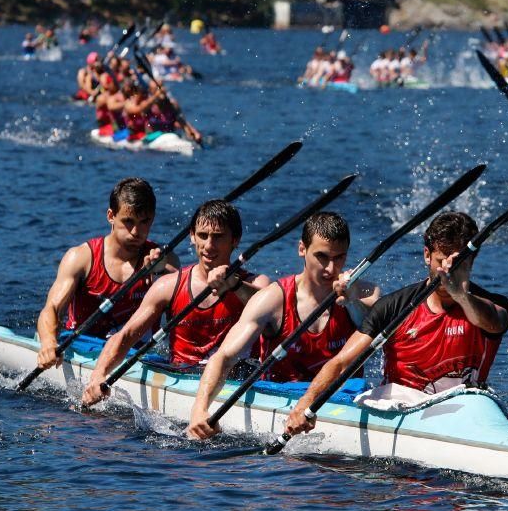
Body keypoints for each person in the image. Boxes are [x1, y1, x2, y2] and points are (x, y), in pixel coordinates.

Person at [282, 211, 508, 437]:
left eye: (457, 263)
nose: (447, 271)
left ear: (471, 261)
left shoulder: (492, 306)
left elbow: (494, 324)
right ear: (426, 255)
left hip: (467, 411)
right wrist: (306, 404)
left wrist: (461, 295)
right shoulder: (394, 308)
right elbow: (342, 363)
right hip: (404, 412)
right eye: (441, 262)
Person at [186, 211, 380, 439]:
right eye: (322, 257)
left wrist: (353, 298)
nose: (330, 269)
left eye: (339, 258)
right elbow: (224, 356)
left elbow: (378, 310)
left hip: (341, 401)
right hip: (282, 401)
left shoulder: (365, 293)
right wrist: (199, 410)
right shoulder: (273, 299)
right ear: (302, 249)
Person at [81, 200, 270, 405]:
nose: (208, 246)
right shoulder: (168, 286)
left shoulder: (257, 284)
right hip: (182, 377)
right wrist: (99, 375)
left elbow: (270, 310)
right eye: (203, 236)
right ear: (191, 236)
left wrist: (234, 285)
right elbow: (126, 335)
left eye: (218, 237)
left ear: (235, 240)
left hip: (236, 377)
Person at [36, 178, 179, 371]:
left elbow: (180, 284)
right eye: (128, 222)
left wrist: (161, 270)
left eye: (144, 222)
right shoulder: (81, 258)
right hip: (84, 348)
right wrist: (48, 343)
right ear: (111, 216)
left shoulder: (164, 259)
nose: (136, 232)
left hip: (135, 356)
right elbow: (52, 308)